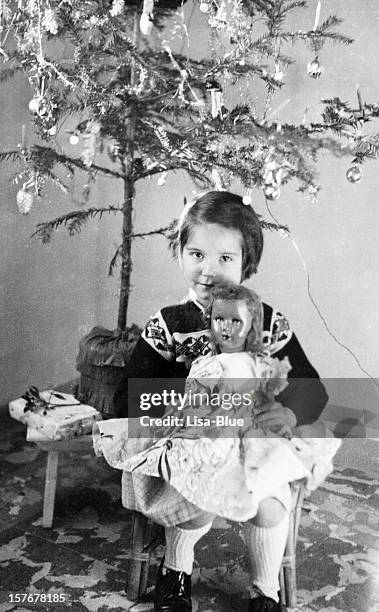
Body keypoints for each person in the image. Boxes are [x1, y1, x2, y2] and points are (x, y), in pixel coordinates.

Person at [111, 191, 335, 612]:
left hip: (250, 446)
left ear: (247, 263)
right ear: (179, 252)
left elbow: (312, 388)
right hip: (193, 444)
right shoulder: (169, 325)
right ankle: (175, 572)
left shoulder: (266, 321)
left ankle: (265, 590)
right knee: (194, 503)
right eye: (196, 253)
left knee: (268, 507)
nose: (208, 270)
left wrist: (286, 410)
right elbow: (129, 397)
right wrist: (183, 409)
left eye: (225, 259)